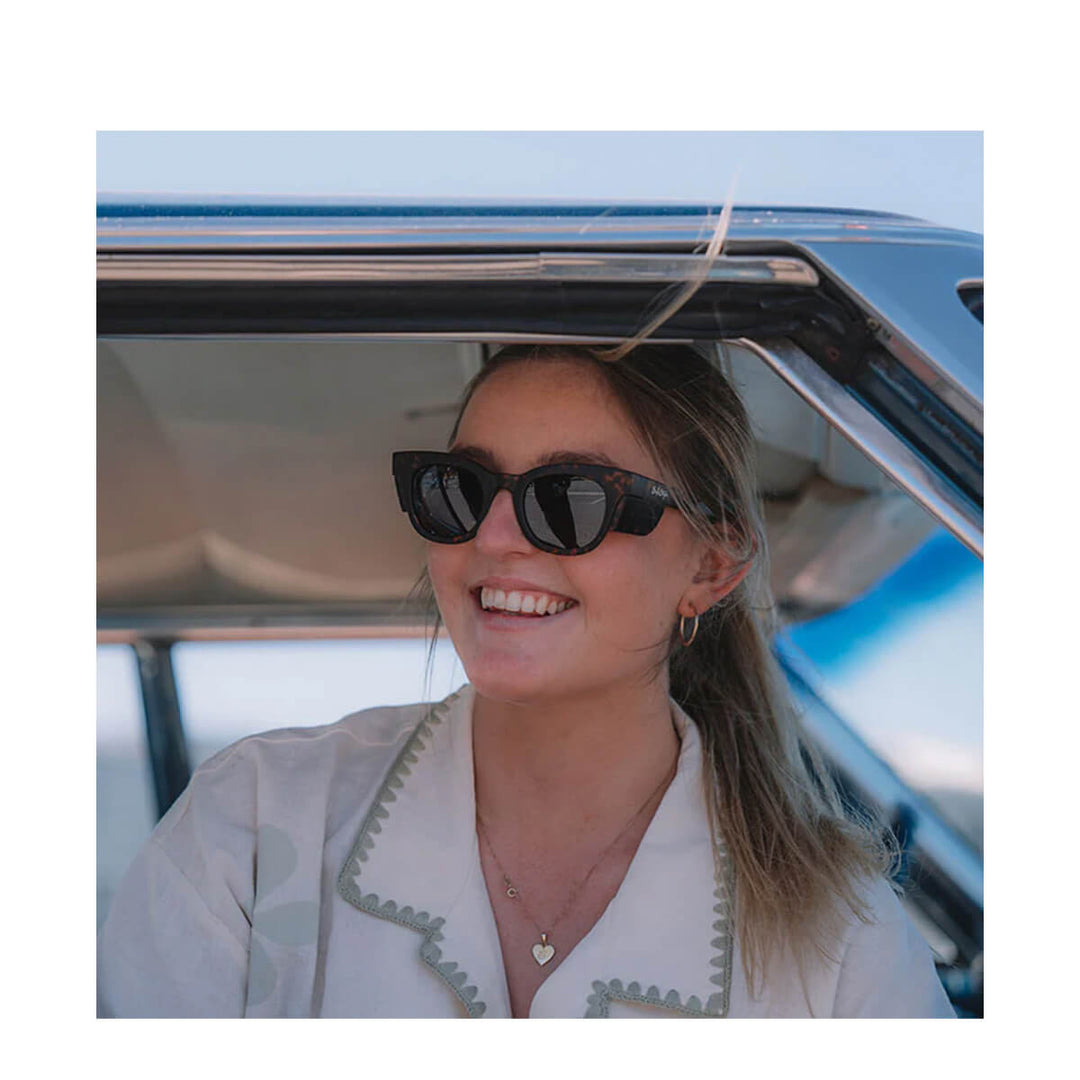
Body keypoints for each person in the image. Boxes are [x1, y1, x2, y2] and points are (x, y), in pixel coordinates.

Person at [97, 339, 955, 1018]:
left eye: (571, 497)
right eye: (461, 489)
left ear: (711, 565)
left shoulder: (843, 945)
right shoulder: (251, 825)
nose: (494, 536)